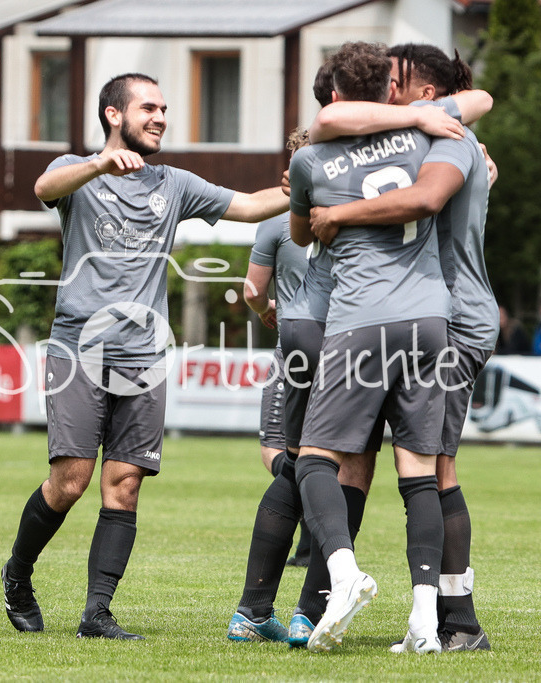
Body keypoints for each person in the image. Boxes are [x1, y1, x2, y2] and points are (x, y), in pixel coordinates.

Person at [1, 72, 289, 641]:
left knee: (125, 481)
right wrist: (98, 166)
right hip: (78, 346)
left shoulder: (173, 183)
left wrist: (314, 186)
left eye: (164, 109)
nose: (160, 117)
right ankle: (18, 574)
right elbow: (43, 188)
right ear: (114, 114)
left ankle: (96, 614)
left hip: (144, 354)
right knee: (70, 481)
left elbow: (253, 206)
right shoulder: (75, 171)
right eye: (149, 108)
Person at [227, 57, 474, 648]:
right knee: (413, 471)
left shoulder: (309, 160)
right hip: (429, 319)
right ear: (392, 90)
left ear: (333, 96)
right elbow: (479, 103)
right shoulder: (427, 139)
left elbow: (295, 241)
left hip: (340, 321)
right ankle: (421, 619)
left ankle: (282, 599)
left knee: (304, 463)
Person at [307, 42, 497, 653]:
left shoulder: (447, 137)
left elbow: (424, 200)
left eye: (396, 80)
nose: (384, 89)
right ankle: (336, 602)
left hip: (452, 312)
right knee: (385, 460)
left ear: (424, 93)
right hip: (425, 311)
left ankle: (457, 619)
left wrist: (340, 216)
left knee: (436, 466)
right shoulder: (421, 129)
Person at [243, 128, 314, 568]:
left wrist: (264, 308)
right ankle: (319, 541)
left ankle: (305, 510)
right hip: (351, 342)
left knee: (277, 446)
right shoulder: (358, 211)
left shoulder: (277, 221)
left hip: (294, 343)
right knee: (333, 449)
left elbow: (252, 288)